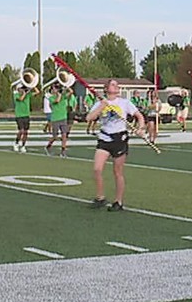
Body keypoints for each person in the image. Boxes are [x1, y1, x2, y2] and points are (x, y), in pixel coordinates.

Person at [85, 79, 145, 212]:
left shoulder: (125, 103)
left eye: (117, 85)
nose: (116, 86)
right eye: (113, 84)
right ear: (106, 89)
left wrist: (140, 128)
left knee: (117, 172)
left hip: (120, 139)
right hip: (104, 138)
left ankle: (118, 201)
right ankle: (100, 197)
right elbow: (89, 118)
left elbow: (139, 116)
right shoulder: (100, 103)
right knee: (97, 169)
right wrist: (102, 106)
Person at [44, 85, 71, 158]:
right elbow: (57, 101)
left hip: (63, 118)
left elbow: (71, 92)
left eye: (57, 88)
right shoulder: (51, 98)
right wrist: (59, 94)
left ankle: (63, 151)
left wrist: (66, 86)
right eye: (55, 88)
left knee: (64, 135)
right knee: (55, 136)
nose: (56, 90)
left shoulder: (63, 96)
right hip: (55, 118)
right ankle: (48, 146)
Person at [12, 83, 36, 152]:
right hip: (19, 115)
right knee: (21, 130)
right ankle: (16, 143)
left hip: (26, 115)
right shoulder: (16, 95)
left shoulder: (28, 95)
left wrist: (32, 86)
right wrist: (24, 93)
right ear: (18, 89)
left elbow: (37, 92)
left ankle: (23, 145)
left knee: (25, 132)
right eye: (22, 88)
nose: (23, 89)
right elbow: (21, 99)